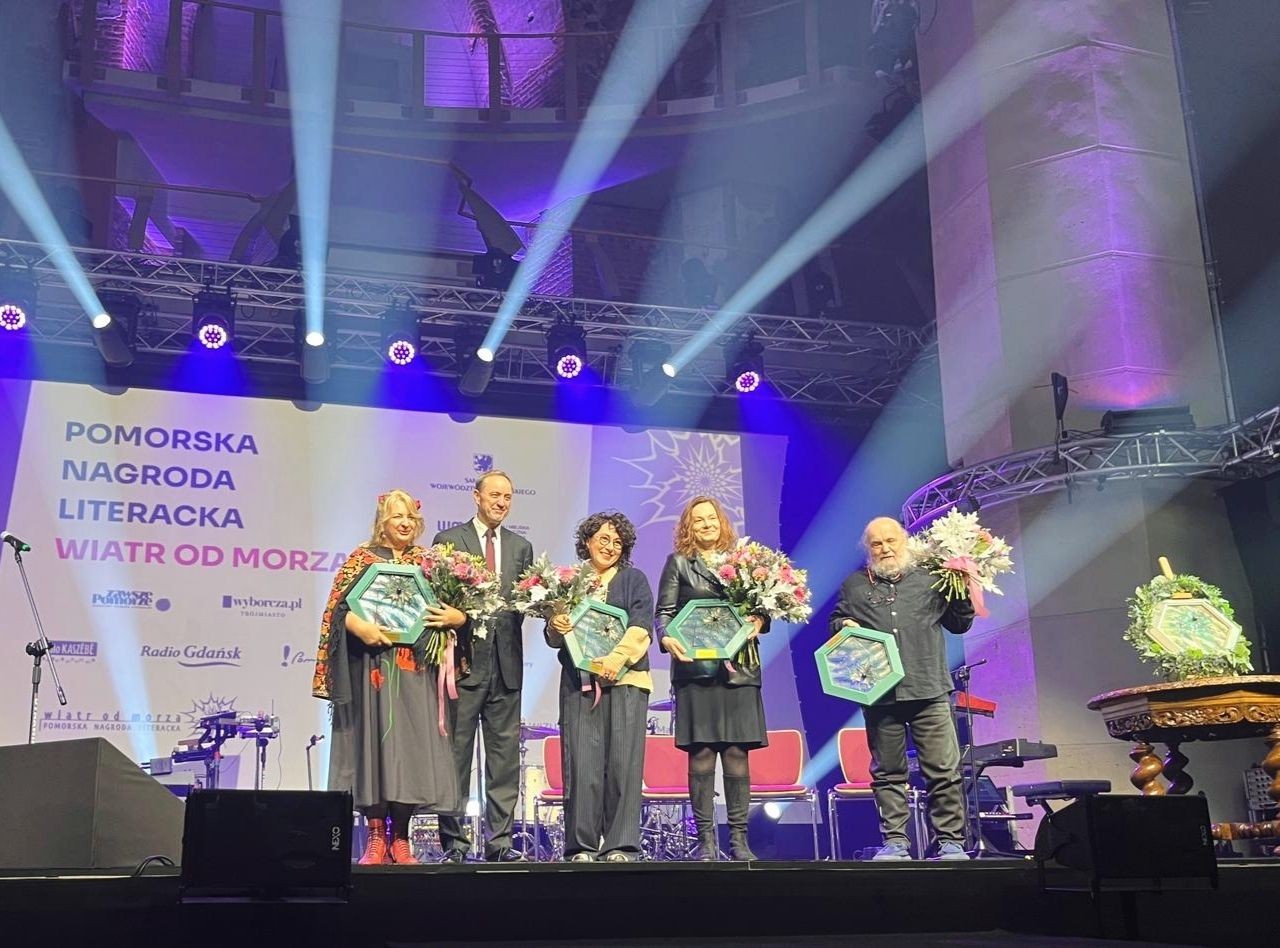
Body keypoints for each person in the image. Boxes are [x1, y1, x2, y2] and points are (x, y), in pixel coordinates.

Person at [312, 489, 465, 865]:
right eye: (398, 516)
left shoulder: (428, 562)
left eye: (411, 517)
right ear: (382, 520)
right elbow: (336, 612)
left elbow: (456, 608)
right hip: (373, 669)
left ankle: (401, 838)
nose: (405, 523)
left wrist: (457, 617)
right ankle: (376, 837)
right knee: (373, 749)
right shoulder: (361, 559)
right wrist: (359, 626)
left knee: (410, 751)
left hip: (416, 669)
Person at [828, 516, 975, 861]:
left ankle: (950, 842)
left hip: (929, 689)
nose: (885, 548)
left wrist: (962, 588)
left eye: (891, 540)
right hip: (881, 694)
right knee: (887, 773)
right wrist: (843, 623)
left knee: (943, 771)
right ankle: (895, 842)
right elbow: (835, 622)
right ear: (868, 549)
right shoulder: (854, 585)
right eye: (877, 544)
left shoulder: (932, 577)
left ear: (904, 541)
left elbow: (959, 624)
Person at [655, 496, 767, 861]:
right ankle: (705, 841)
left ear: (722, 522)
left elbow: (762, 607)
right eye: (698, 520)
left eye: (712, 518)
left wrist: (759, 620)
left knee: (736, 753)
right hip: (697, 672)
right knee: (702, 754)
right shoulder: (678, 563)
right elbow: (664, 613)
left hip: (739, 671)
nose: (706, 524)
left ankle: (739, 841)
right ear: (689, 527)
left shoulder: (743, 560)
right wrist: (666, 637)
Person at [433, 470, 534, 863]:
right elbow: (439, 600)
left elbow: (522, 605)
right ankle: (454, 844)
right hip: (462, 667)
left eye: (507, 497)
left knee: (504, 762)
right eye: (494, 495)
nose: (501, 503)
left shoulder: (521, 547)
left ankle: (500, 843)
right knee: (455, 758)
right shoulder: (449, 540)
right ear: (477, 496)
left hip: (506, 668)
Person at [546, 512, 654, 862]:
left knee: (623, 765)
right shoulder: (569, 582)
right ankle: (581, 846)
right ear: (587, 542)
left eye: (617, 542)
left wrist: (616, 659)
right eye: (603, 539)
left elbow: (641, 626)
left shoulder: (633, 579)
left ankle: (621, 846)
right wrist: (555, 625)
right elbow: (554, 637)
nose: (609, 547)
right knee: (582, 765)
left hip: (625, 682)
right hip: (579, 684)